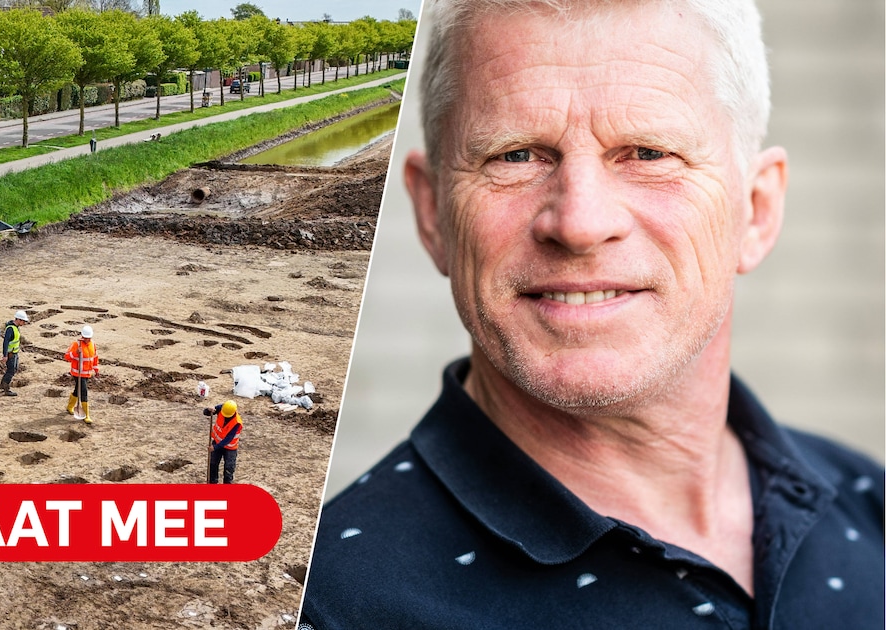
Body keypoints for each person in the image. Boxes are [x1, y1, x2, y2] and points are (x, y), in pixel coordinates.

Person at [300, 1, 885, 628]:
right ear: (432, 214)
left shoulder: (869, 503)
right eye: (517, 155)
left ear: (757, 210)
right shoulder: (332, 605)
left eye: (649, 153)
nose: (579, 223)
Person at [63, 325, 98, 423]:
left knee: (77, 390)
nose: (87, 340)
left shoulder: (93, 344)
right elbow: (66, 357)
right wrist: (75, 353)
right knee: (83, 391)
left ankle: (70, 406)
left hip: (87, 373)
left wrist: (96, 369)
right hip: (77, 373)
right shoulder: (76, 344)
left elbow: (94, 357)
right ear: (82, 336)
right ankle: (87, 415)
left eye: (89, 338)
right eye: (85, 338)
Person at [204, 400, 241, 484]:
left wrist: (215, 447)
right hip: (217, 442)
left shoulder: (237, 422)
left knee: (229, 468)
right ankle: (212, 483)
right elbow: (206, 413)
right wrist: (209, 410)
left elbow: (229, 438)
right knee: (213, 464)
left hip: (230, 448)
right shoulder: (222, 408)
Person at [0, 310, 29, 397]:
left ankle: (2, 384)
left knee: (14, 369)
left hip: (14, 353)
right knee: (11, 370)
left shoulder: (15, 328)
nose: (24, 323)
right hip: (10, 354)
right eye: (23, 321)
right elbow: (6, 342)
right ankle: (6, 388)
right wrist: (5, 355)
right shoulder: (10, 329)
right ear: (18, 320)